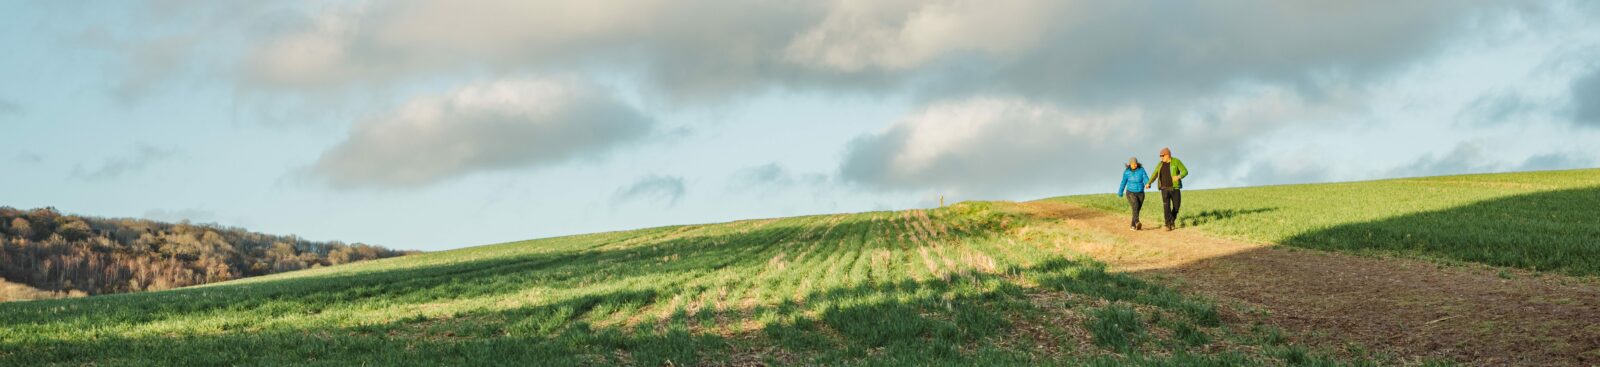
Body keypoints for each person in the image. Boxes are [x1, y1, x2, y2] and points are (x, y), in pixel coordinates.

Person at [1145, 147, 1188, 231]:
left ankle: (1172, 221)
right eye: (1160, 156)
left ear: (1168, 155)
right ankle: (1167, 225)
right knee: (1166, 207)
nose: (1161, 157)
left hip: (1175, 188)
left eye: (1162, 156)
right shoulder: (1160, 164)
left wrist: (1178, 176)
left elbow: (1185, 171)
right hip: (1164, 188)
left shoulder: (1176, 161)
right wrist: (1149, 183)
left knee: (1176, 207)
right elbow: (1155, 174)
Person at [1116, 157, 1148, 230]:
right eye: (1133, 164)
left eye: (1135, 164)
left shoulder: (1141, 170)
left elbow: (1145, 177)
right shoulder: (1127, 172)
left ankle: (1132, 225)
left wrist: (1147, 183)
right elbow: (1123, 182)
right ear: (1129, 164)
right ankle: (1137, 221)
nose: (1134, 165)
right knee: (1135, 205)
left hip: (1141, 193)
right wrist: (1120, 192)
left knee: (1136, 209)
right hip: (1130, 192)